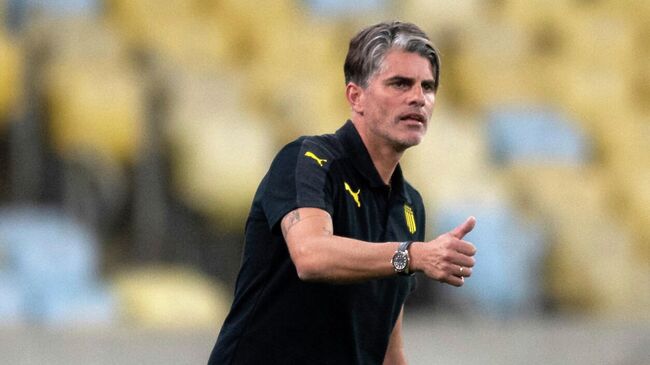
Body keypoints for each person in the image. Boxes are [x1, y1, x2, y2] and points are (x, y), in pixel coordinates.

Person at [208, 21, 477, 365]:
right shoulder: (307, 161)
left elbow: (388, 353)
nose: (417, 98)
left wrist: (411, 255)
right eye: (399, 84)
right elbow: (311, 255)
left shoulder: (410, 206)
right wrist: (412, 256)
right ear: (356, 96)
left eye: (427, 87)